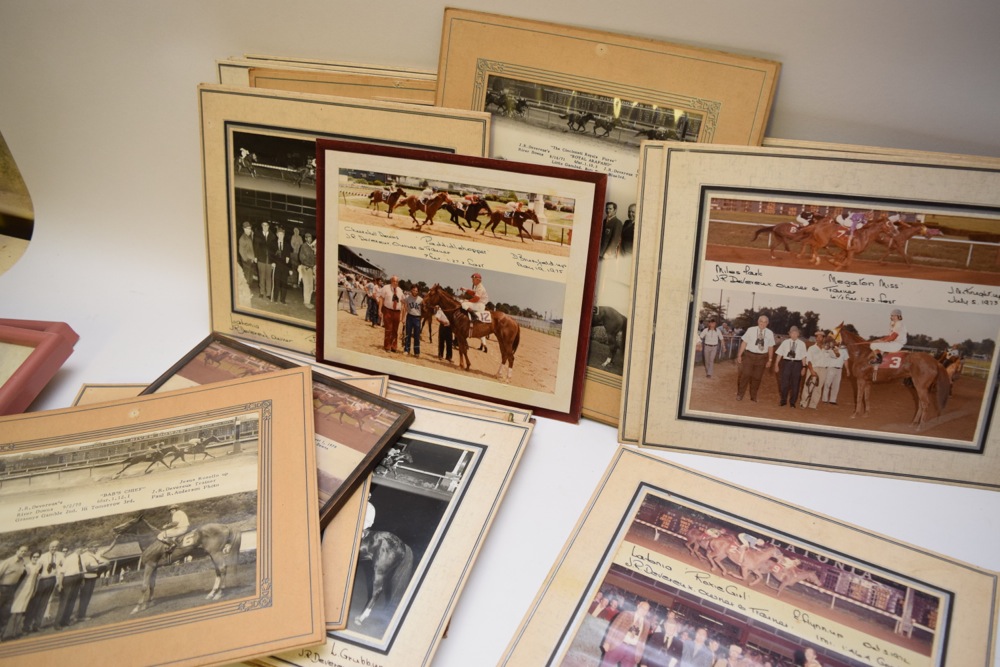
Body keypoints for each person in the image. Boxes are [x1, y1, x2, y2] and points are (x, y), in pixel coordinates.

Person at [25, 539, 63, 633]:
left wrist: (59, 582)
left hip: (52, 581)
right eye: (52, 547)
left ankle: (37, 625)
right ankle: (26, 626)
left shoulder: (59, 556)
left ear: (58, 548)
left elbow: (60, 569)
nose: (53, 548)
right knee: (35, 604)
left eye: (56, 547)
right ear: (49, 547)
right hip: (42, 581)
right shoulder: (43, 556)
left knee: (44, 604)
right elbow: (36, 569)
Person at [600, 599, 652, 667]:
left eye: (646, 610)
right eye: (642, 608)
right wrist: (607, 642)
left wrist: (639, 655)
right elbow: (613, 628)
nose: (643, 611)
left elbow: (643, 641)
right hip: (618, 645)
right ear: (638, 606)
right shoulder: (625, 614)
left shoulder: (647, 624)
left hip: (632, 651)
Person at [736, 315, 775, 402]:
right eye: (761, 321)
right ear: (758, 321)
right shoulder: (751, 330)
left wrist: (770, 360)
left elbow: (770, 347)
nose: (763, 324)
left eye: (765, 322)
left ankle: (753, 396)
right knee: (745, 375)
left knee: (757, 377)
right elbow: (744, 342)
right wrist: (739, 355)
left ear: (767, 323)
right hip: (749, 355)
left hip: (762, 357)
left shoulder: (770, 333)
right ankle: (740, 394)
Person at [6, 551, 40, 639]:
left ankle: (15, 632)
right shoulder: (26, 567)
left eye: (37, 557)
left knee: (21, 611)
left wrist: (34, 591)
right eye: (34, 557)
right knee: (14, 610)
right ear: (31, 557)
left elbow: (36, 580)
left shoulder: (38, 567)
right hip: (21, 590)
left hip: (29, 591)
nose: (35, 558)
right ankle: (7, 633)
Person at [774, 326, 807, 408]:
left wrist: (804, 367)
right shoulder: (785, 342)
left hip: (797, 364)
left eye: (796, 333)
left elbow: (803, 356)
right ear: (789, 334)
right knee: (784, 383)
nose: (794, 335)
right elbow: (779, 354)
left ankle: (793, 402)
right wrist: (776, 364)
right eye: (792, 333)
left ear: (798, 334)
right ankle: (783, 401)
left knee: (795, 384)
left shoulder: (802, 344)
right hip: (786, 363)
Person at [0, 545, 29, 638]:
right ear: (17, 551)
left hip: (12, 590)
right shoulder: (8, 562)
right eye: (21, 551)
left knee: (5, 613)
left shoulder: (22, 563)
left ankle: (1, 636)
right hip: (2, 588)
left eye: (25, 551)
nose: (23, 553)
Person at [76, 544, 110, 622]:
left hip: (92, 576)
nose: (96, 548)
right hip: (87, 577)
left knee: (87, 597)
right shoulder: (86, 555)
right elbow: (88, 568)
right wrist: (102, 565)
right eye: (95, 547)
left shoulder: (92, 555)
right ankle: (81, 616)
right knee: (85, 597)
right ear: (89, 548)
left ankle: (80, 614)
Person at [54, 546, 85, 630]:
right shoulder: (69, 558)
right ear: (74, 549)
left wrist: (82, 580)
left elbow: (82, 570)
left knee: (72, 601)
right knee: (64, 602)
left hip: (77, 579)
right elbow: (61, 572)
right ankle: (57, 623)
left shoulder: (81, 558)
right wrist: (60, 584)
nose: (80, 550)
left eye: (81, 549)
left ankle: (66, 620)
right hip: (68, 579)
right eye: (78, 549)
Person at [800, 331, 833, 408]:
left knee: (818, 387)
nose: (818, 339)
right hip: (813, 368)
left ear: (823, 338)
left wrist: (834, 348)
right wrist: (811, 371)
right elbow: (809, 360)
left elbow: (836, 355)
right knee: (809, 386)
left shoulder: (828, 349)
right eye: (817, 337)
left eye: (820, 337)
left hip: (823, 369)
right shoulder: (811, 348)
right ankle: (803, 403)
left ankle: (813, 405)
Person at [377, 275, 404, 353]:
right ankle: (387, 346)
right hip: (388, 310)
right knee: (388, 329)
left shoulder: (400, 290)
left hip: (397, 312)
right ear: (391, 281)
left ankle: (394, 346)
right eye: (394, 281)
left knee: (395, 330)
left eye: (397, 281)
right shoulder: (385, 288)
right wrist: (379, 310)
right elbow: (381, 299)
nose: (395, 283)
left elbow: (403, 301)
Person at [253, 220, 278, 300]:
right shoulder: (257, 234)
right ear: (261, 226)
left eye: (266, 225)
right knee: (261, 276)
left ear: (268, 226)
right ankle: (261, 292)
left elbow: (275, 250)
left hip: (270, 260)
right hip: (261, 259)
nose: (265, 227)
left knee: (268, 277)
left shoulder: (273, 236)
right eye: (263, 225)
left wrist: (274, 261)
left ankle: (268, 293)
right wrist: (255, 256)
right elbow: (255, 246)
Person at [274, 226, 293, 304]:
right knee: (277, 283)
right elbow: (271, 255)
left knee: (284, 283)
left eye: (282, 234)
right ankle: (275, 298)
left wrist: (290, 268)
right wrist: (272, 262)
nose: (281, 235)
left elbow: (289, 257)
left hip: (285, 267)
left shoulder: (287, 245)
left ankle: (283, 300)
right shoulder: (274, 244)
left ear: (284, 235)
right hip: (277, 266)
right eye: (279, 234)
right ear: (277, 235)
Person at [297, 232, 316, 309]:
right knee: (307, 285)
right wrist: (309, 264)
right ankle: (306, 302)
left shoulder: (311, 247)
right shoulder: (304, 246)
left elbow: (314, 259)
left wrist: (314, 252)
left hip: (310, 268)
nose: (310, 239)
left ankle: (308, 301)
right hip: (306, 267)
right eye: (308, 237)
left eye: (310, 237)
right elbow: (301, 258)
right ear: (305, 238)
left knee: (311, 286)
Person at [403, 285, 423, 356]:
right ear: (411, 290)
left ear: (418, 292)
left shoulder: (421, 300)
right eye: (414, 290)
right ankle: (406, 350)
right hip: (409, 316)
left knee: (416, 335)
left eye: (416, 291)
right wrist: (403, 317)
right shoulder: (407, 297)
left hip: (417, 318)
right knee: (408, 334)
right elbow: (404, 306)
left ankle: (416, 352)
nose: (415, 292)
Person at [237, 221, 256, 290]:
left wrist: (252, 258)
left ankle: (248, 290)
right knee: (247, 277)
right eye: (248, 229)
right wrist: (246, 259)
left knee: (250, 276)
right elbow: (241, 251)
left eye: (250, 228)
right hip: (247, 261)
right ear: (244, 229)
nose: (249, 230)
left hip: (251, 260)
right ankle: (245, 291)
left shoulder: (249, 237)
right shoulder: (242, 238)